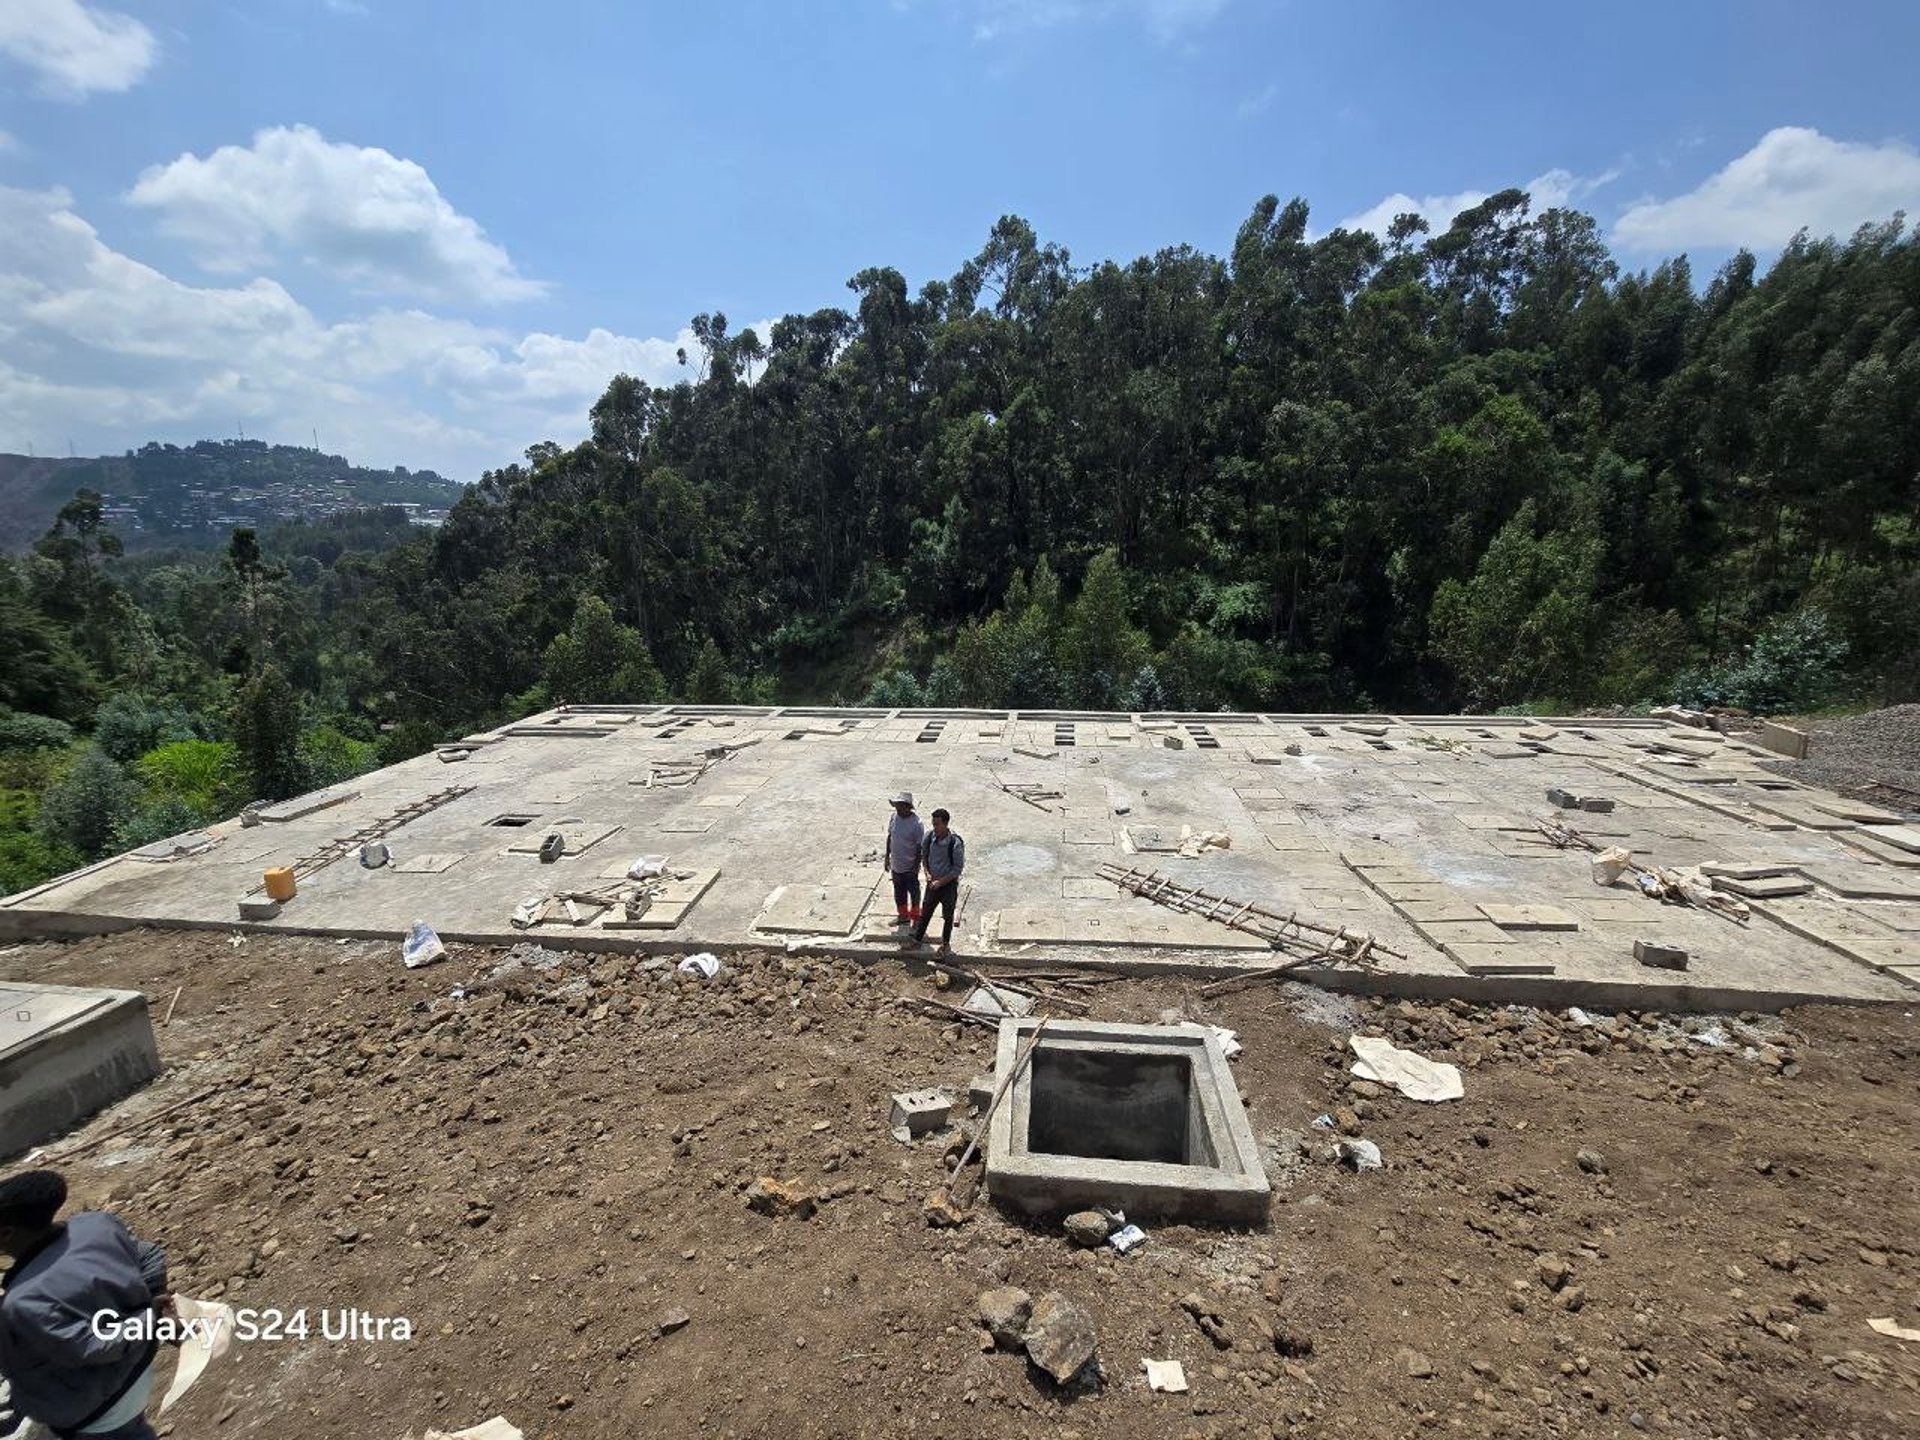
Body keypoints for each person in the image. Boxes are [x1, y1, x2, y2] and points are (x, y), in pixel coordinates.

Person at [0, 1170, 169, 1440]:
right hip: (136, 1367)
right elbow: (149, 1256)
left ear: (7, 1232)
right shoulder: (96, 1225)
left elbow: (93, 1345)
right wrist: (150, 1303)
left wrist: (150, 1317)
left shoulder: (23, 1301)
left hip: (99, 1406)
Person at [904, 807, 965, 952]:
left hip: (948, 885)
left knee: (948, 916)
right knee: (925, 913)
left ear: (946, 824)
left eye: (937, 824)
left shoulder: (955, 844)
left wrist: (941, 882)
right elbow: (924, 857)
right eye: (933, 824)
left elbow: (957, 869)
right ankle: (917, 940)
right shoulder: (929, 837)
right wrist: (928, 875)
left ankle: (945, 944)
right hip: (932, 884)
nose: (935, 828)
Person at [883, 791, 926, 928]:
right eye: (896, 806)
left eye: (900, 806)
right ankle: (903, 916)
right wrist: (886, 857)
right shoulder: (894, 817)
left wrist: (916, 865)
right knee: (899, 893)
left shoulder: (917, 824)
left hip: (909, 866)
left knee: (914, 893)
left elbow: (920, 846)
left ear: (908, 807)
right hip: (896, 864)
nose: (898, 809)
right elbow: (890, 837)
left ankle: (915, 918)